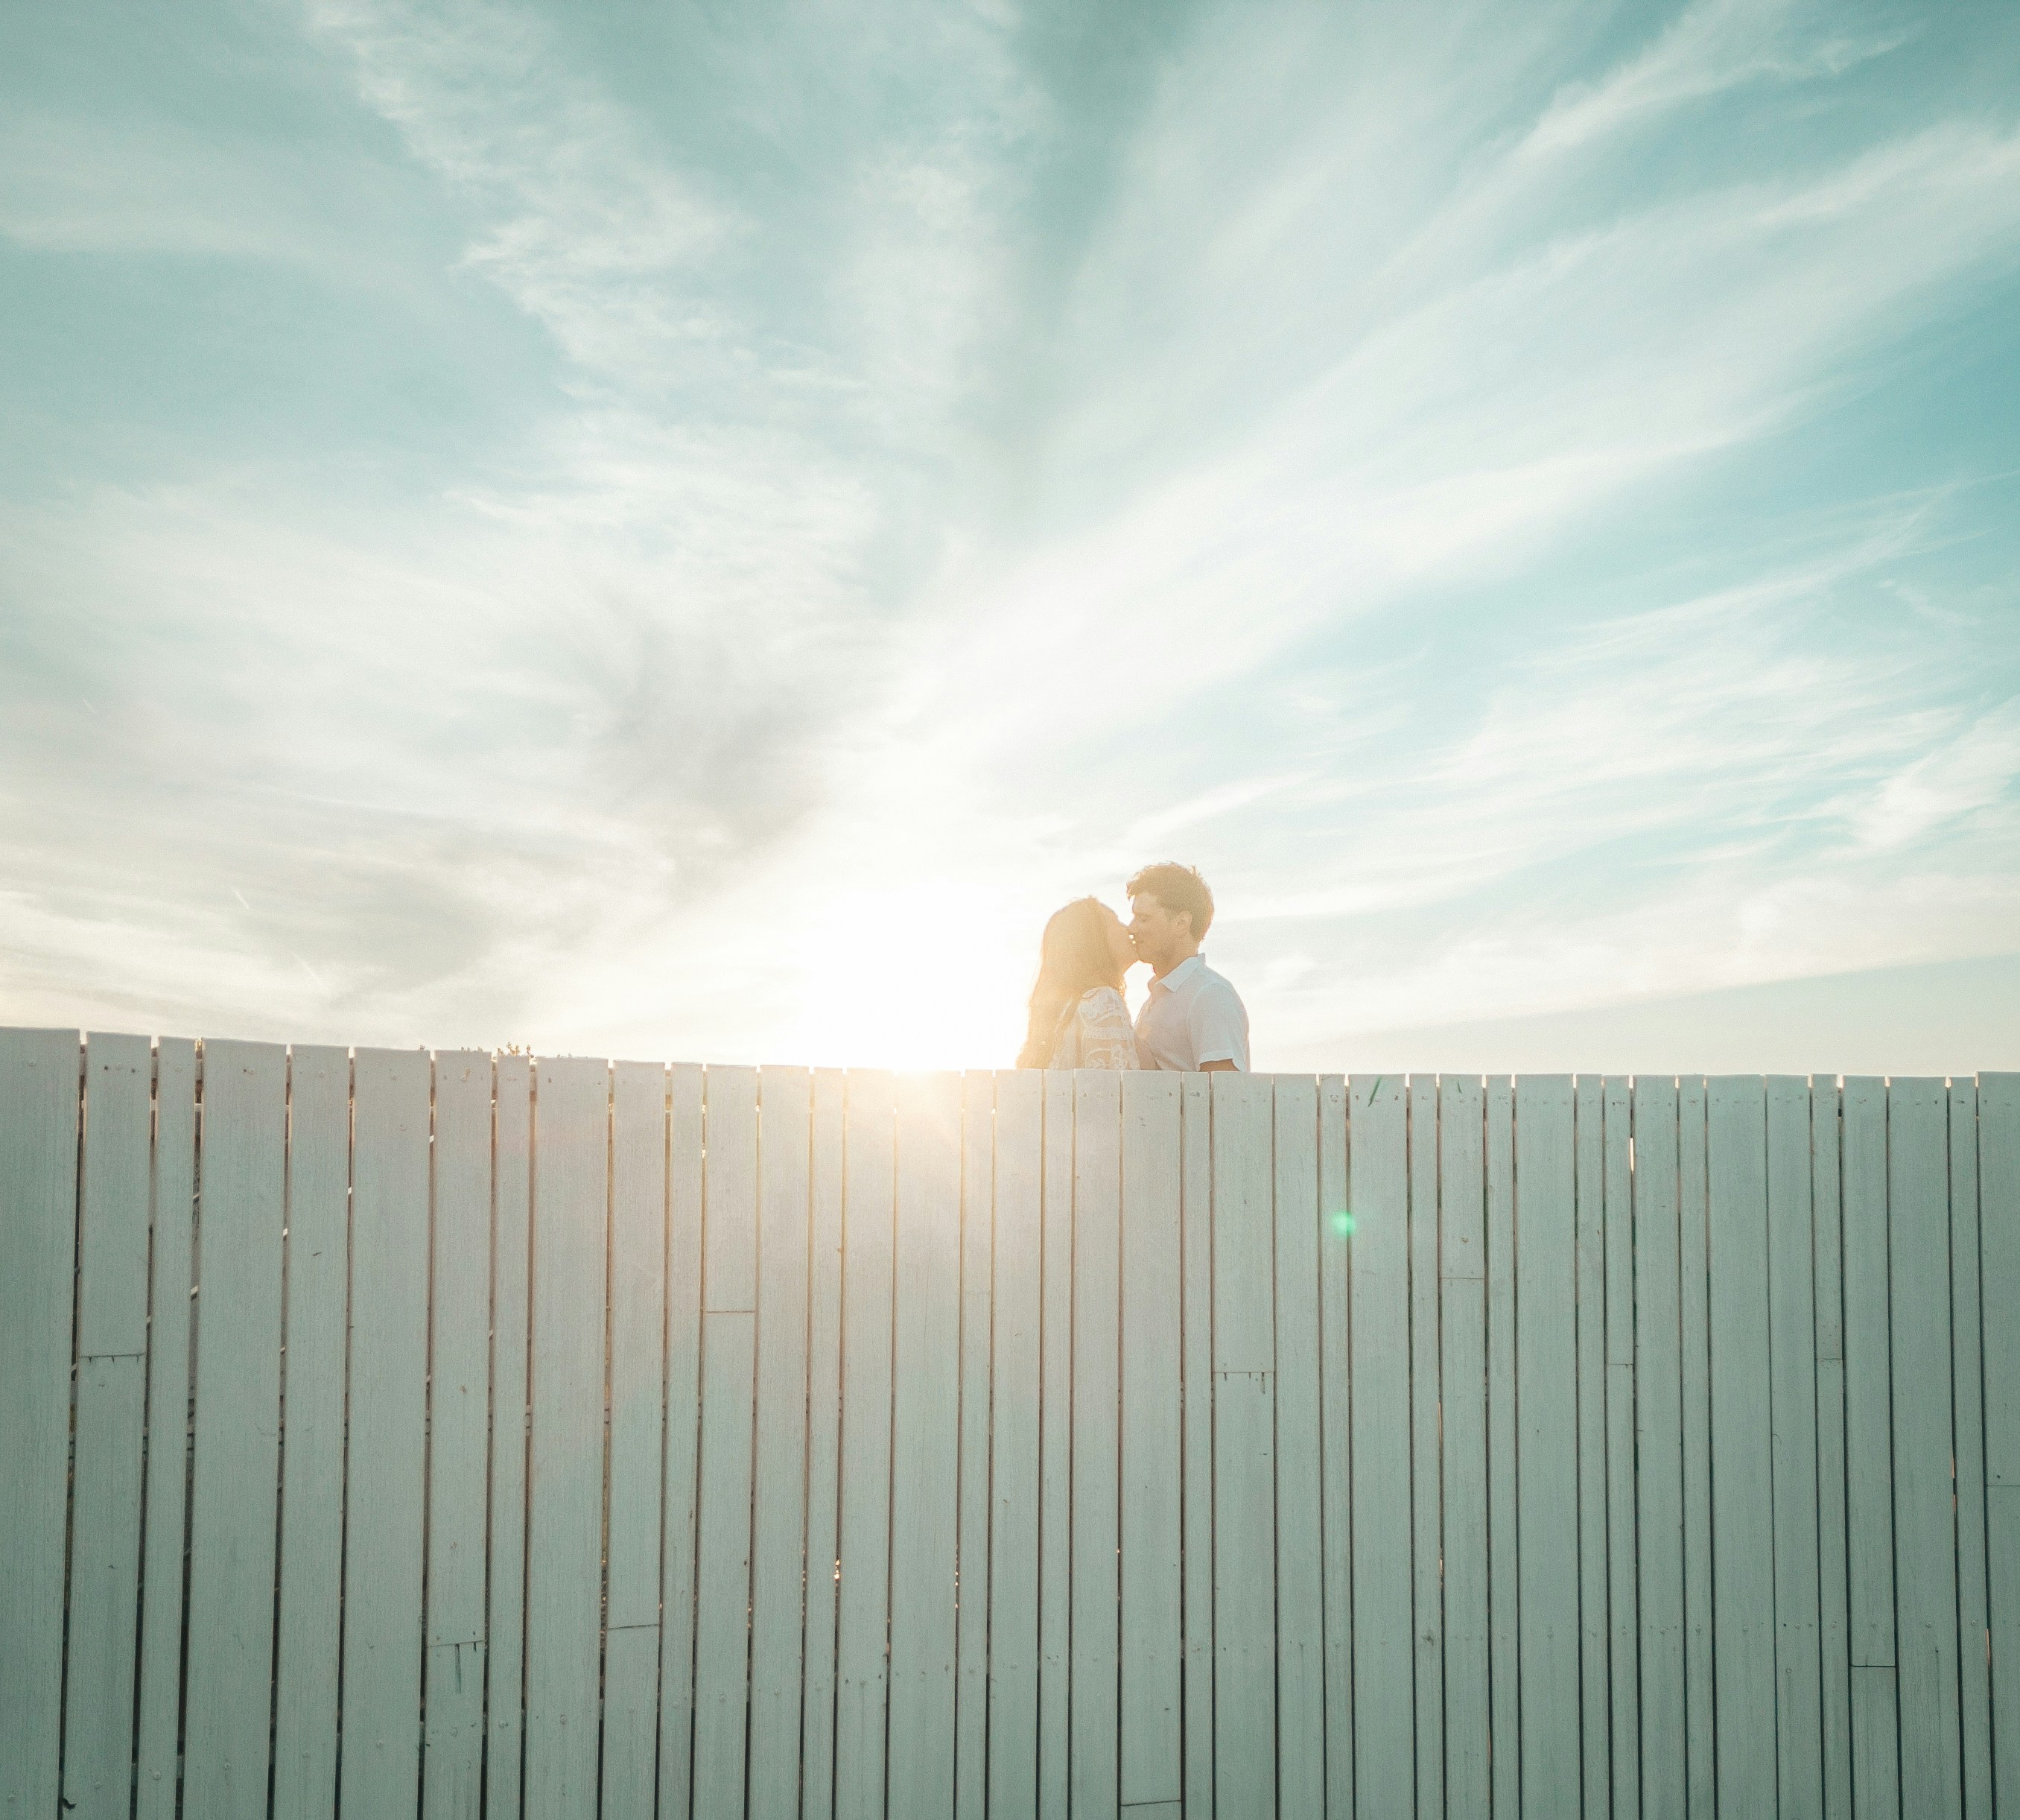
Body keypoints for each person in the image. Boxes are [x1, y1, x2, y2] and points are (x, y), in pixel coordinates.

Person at [1125, 862, 1249, 1071]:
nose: (1131, 928)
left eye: (1143, 918)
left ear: (1181, 923)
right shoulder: (1159, 997)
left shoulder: (1210, 995)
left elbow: (1224, 1098)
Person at [1016, 897, 1141, 1070]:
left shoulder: (1066, 1010)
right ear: (1095, 940)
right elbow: (1114, 1091)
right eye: (1115, 921)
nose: (1127, 928)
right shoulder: (1103, 1001)